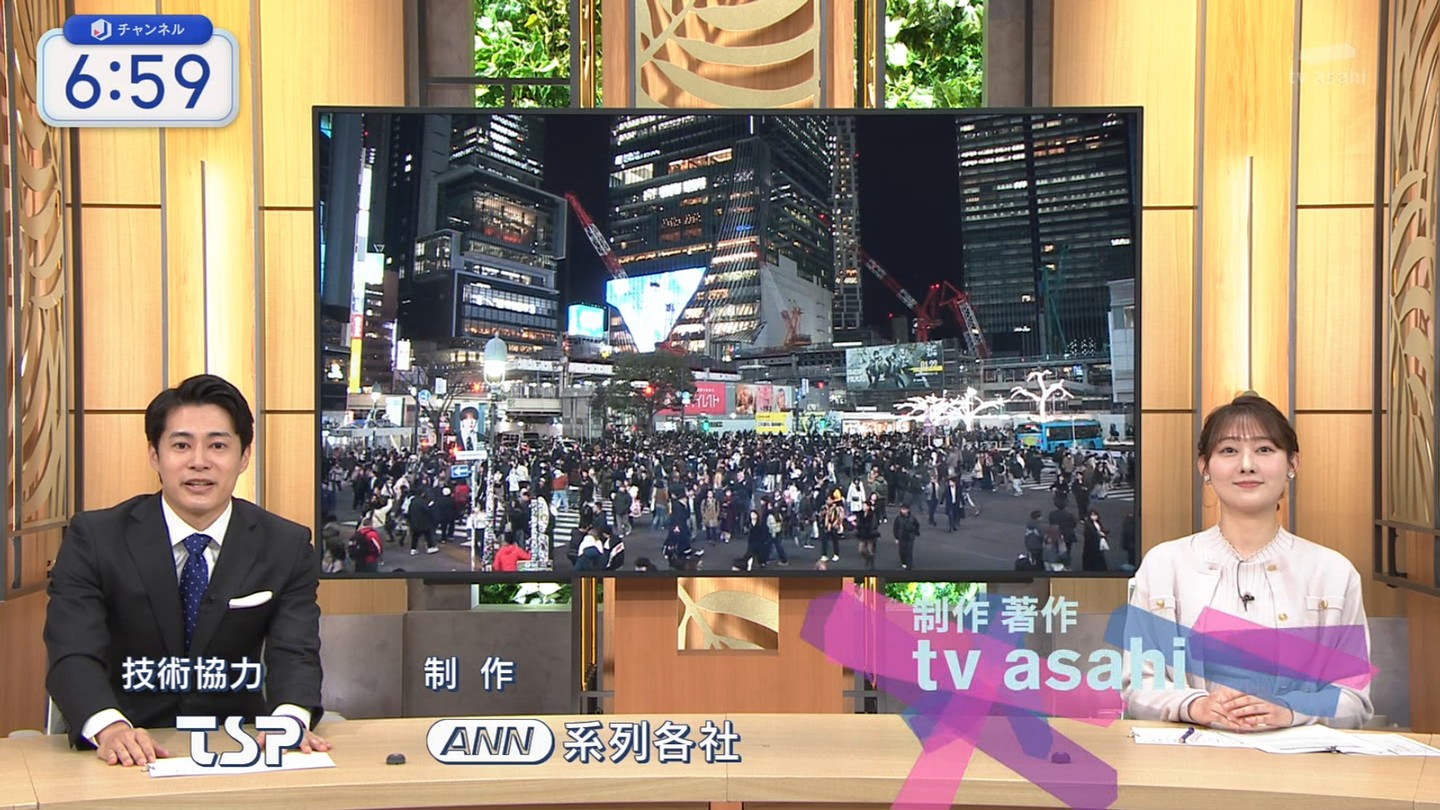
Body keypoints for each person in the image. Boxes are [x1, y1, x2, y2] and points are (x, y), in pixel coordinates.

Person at [44, 374, 329, 765]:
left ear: (244, 456)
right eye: (181, 445)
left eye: (217, 445)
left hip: (238, 744)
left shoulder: (285, 544)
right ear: (154, 455)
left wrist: (289, 719)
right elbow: (73, 650)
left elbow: (295, 652)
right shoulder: (95, 538)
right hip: (125, 745)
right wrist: (110, 728)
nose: (199, 461)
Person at [1122, 393, 1374, 730]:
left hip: (1298, 759)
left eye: (1264, 449)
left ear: (1293, 464)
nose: (1246, 465)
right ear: (1204, 467)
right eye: (1228, 450)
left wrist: (1290, 710)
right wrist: (1196, 706)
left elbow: (1354, 698)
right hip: (1192, 755)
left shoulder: (1332, 572)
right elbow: (1137, 686)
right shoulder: (1164, 565)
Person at [892, 502, 920, 570]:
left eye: (904, 509)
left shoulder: (912, 518)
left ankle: (909, 565)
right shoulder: (898, 518)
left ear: (908, 510)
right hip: (901, 537)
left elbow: (917, 525)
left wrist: (915, 532)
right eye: (902, 509)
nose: (903, 511)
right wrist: (896, 537)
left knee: (909, 551)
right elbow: (895, 528)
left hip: (910, 537)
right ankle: (903, 561)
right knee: (902, 551)